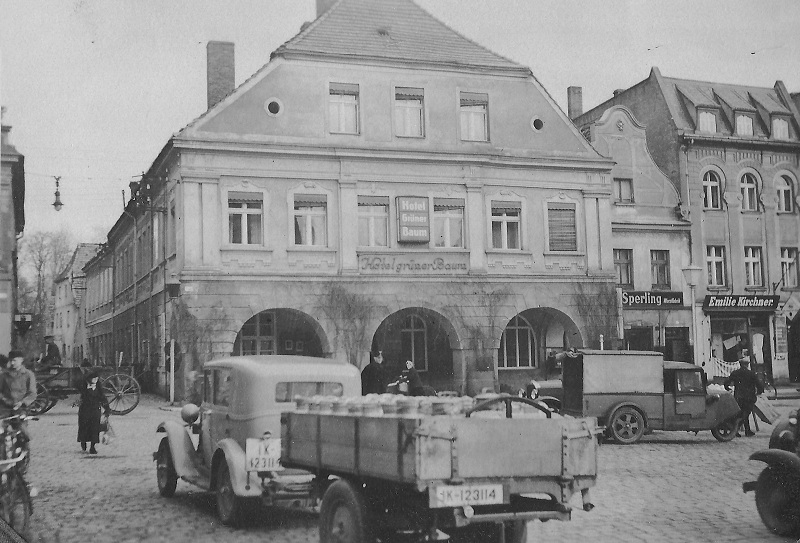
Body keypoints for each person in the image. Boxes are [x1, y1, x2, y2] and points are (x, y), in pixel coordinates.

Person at [724, 355, 764, 437]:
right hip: (749, 397)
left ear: (740, 364)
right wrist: (760, 392)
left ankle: (746, 430)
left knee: (740, 413)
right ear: (747, 364)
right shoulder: (751, 374)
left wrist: (727, 388)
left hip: (738, 397)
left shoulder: (735, 373)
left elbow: (727, 382)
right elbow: (759, 384)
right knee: (745, 414)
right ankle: (736, 430)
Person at [77, 370, 110, 454]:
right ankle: (83, 442)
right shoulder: (84, 388)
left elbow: (103, 399)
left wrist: (107, 409)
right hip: (85, 411)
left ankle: (92, 447)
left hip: (95, 411)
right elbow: (81, 397)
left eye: (96, 378)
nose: (95, 380)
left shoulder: (99, 388)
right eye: (93, 378)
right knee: (84, 427)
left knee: (95, 429)